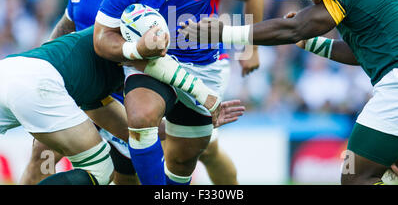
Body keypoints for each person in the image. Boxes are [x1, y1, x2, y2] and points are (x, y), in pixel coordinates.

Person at [93, 0, 342, 185]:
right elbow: (102, 38)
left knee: (183, 160)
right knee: (141, 119)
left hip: (204, 67)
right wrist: (137, 49)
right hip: (153, 66)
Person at [180, 0, 398, 185]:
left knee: (355, 178)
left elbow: (294, 28)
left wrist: (223, 32)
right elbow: (362, 53)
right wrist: (312, 43)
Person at [0, 24, 243, 185]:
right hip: (40, 83)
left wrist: (189, 127)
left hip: (9, 69)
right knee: (100, 170)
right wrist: (207, 102)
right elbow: (163, 67)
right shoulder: (127, 47)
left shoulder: (93, 88)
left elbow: (126, 129)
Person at [145, 0, 264, 185]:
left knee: (202, 150)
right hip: (160, 64)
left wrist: (250, 49)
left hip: (204, 64)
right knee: (165, 138)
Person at [19, 0, 134, 185]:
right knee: (41, 154)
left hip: (125, 105)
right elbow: (66, 23)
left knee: (125, 178)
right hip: (83, 98)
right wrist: (42, 60)